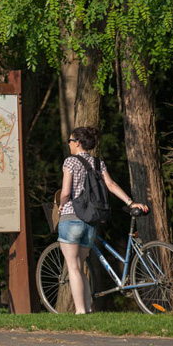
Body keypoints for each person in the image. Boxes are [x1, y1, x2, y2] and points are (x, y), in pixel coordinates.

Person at [57, 126, 147, 314]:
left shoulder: (70, 162)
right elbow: (111, 185)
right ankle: (89, 308)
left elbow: (65, 192)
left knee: (73, 267)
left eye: (70, 141)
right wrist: (130, 202)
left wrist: (60, 205)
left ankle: (80, 311)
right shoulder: (99, 163)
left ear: (78, 143)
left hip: (71, 217)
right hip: (90, 221)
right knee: (81, 267)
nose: (69, 144)